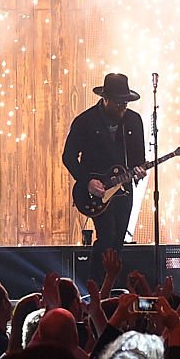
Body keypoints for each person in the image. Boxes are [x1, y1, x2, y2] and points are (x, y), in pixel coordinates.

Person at [62, 73, 146, 287]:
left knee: (118, 241)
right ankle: (95, 289)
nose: (122, 107)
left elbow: (138, 158)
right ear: (105, 98)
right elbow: (69, 156)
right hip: (96, 192)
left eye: (125, 102)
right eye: (118, 102)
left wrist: (139, 170)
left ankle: (110, 287)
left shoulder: (134, 121)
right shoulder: (85, 121)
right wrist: (87, 181)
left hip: (124, 191)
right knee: (107, 237)